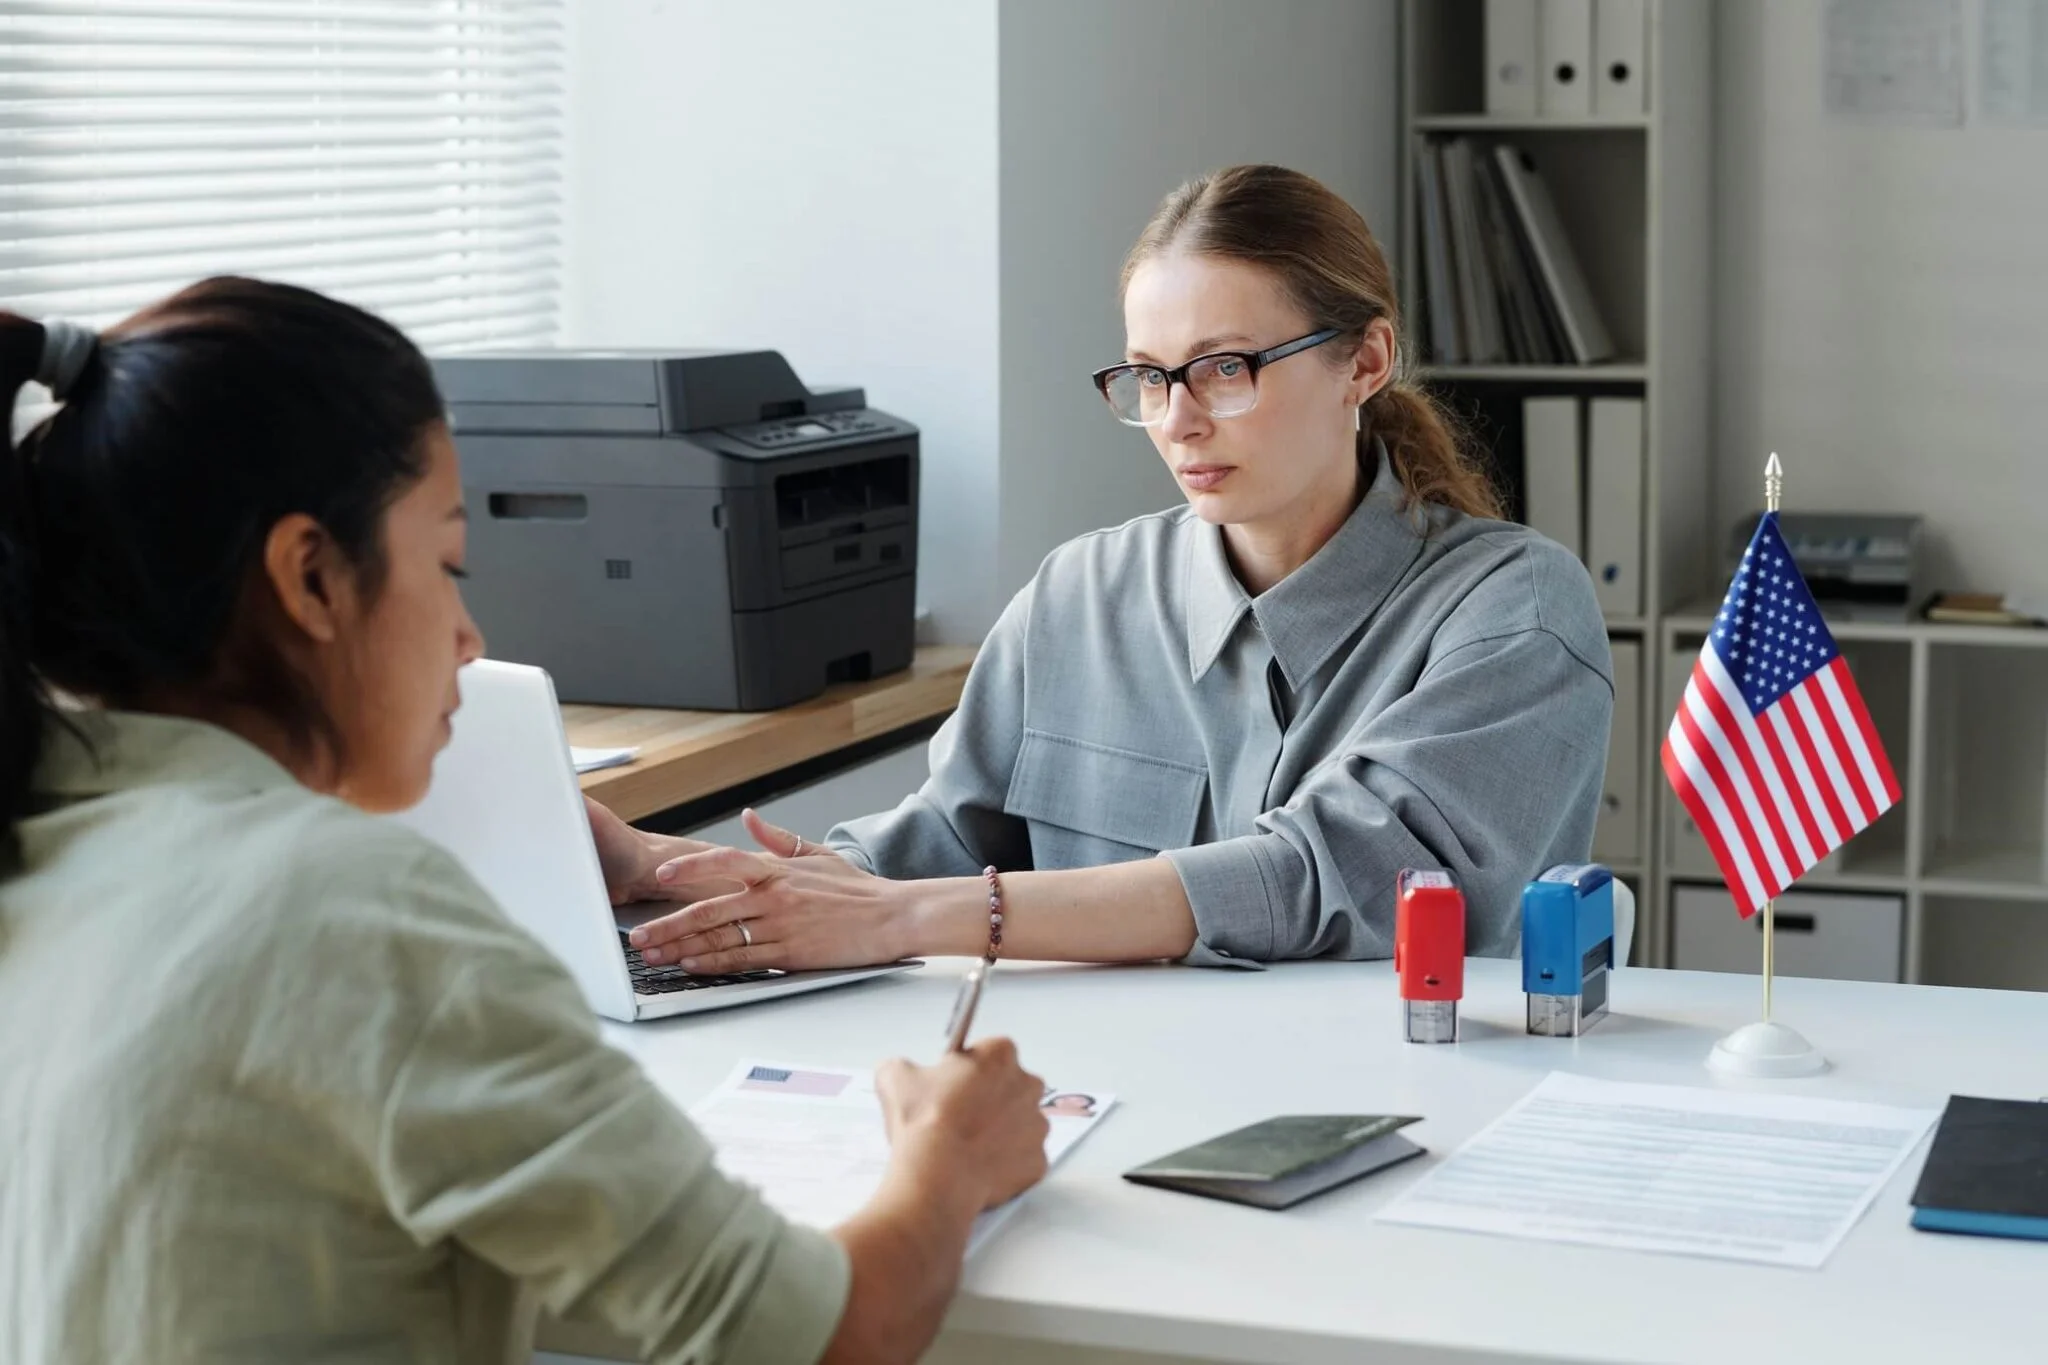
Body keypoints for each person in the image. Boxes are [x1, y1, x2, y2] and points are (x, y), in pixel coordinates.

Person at [0, 280, 1049, 1365]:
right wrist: (947, 1153)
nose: (467, 634)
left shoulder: (42, 843)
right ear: (310, 576)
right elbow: (826, 1333)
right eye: (447, 565)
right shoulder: (353, 910)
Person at [608, 164, 1614, 977]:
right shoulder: (1075, 595)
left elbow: (1321, 876)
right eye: (1147, 375)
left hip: (1401, 1128)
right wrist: (664, 869)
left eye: (1226, 368)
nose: (1175, 420)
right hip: (1098, 1116)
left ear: (1363, 362)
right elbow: (928, 855)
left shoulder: (1514, 611)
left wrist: (894, 917)